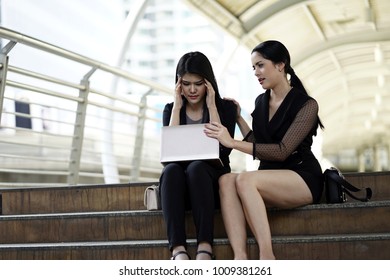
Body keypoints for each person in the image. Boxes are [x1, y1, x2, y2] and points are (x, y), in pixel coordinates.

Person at [204, 40, 324, 260]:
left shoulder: (307, 104)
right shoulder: (260, 101)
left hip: (301, 176)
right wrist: (239, 117)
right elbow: (259, 142)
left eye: (260, 65)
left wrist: (230, 142)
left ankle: (266, 255)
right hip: (268, 176)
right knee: (226, 181)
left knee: (244, 180)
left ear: (280, 65)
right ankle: (240, 257)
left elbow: (281, 151)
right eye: (253, 68)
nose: (256, 72)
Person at [159, 51, 236, 260]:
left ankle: (205, 246)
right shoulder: (171, 109)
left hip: (209, 181)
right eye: (186, 84)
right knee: (171, 170)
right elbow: (171, 151)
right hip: (181, 185)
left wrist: (211, 105)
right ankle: (178, 249)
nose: (192, 90)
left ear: (208, 83)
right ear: (178, 84)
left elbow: (224, 149)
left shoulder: (226, 108)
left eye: (198, 83)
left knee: (197, 167)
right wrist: (177, 107)